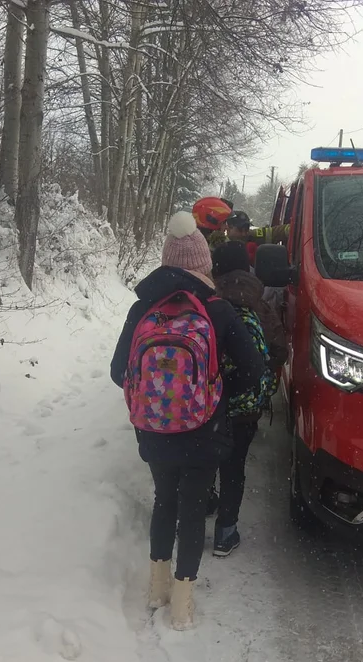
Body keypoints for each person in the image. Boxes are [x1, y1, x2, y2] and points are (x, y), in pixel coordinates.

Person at [110, 211, 265, 630]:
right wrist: (213, 386)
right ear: (203, 263)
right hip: (204, 429)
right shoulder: (216, 310)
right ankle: (182, 605)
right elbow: (253, 368)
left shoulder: (143, 308)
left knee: (165, 500)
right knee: (193, 510)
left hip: (154, 431)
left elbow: (116, 370)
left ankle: (156, 588)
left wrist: (155, 395)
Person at [208, 241, 289, 557]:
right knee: (234, 465)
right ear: (248, 268)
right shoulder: (261, 306)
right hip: (245, 405)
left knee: (205, 458)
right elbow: (280, 350)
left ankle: (203, 502)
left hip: (209, 402)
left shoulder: (208, 301)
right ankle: (225, 533)